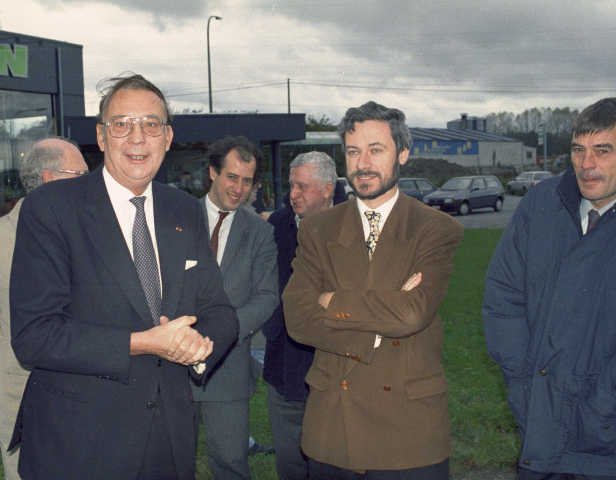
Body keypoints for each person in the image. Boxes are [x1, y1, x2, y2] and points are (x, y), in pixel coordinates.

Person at [7, 73, 239, 480]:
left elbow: (217, 310)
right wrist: (145, 343)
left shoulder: (184, 210)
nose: (137, 137)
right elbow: (35, 335)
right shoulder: (51, 208)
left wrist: (198, 347)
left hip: (168, 441)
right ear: (100, 136)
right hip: (79, 446)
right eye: (121, 124)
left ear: (167, 138)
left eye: (150, 124)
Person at [282, 101, 463, 479]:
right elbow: (298, 318)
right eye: (353, 151)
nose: (363, 162)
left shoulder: (434, 228)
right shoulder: (318, 229)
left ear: (403, 153)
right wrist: (375, 333)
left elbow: (414, 313)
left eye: (375, 149)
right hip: (334, 428)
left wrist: (332, 301)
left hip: (409, 432)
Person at [483, 97, 616, 479]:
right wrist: (522, 379)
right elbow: (502, 296)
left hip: (605, 439)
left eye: (602, 151)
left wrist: (602, 402)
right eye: (578, 150)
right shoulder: (543, 203)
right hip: (538, 422)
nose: (586, 164)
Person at [0, 137, 88, 480]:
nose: (92, 184)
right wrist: (13, 361)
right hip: (24, 406)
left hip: (91, 403)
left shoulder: (94, 237)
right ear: (49, 179)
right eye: (81, 174)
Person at [192, 135, 279, 479]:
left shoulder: (259, 231)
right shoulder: (175, 218)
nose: (238, 188)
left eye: (247, 181)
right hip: (168, 367)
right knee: (167, 464)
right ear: (213, 172)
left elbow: (267, 296)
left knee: (230, 463)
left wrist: (221, 335)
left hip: (227, 368)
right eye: (231, 177)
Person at [261, 150, 340, 480]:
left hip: (337, 368)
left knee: (336, 462)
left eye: (302, 186)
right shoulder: (276, 225)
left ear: (327, 189)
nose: (293, 194)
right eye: (291, 185)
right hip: (285, 367)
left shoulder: (355, 228)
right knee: (291, 460)